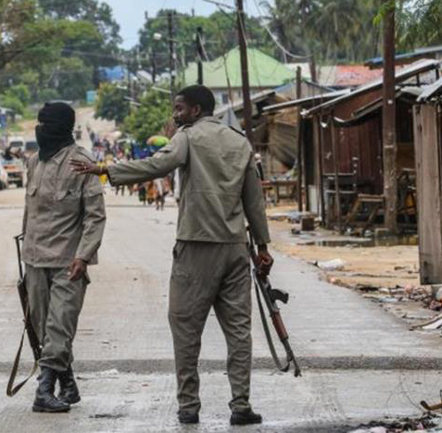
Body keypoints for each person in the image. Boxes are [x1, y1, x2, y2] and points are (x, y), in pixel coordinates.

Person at [71, 85, 273, 426]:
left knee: (185, 326)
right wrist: (263, 247)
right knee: (239, 331)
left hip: (196, 246)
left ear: (195, 110)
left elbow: (159, 164)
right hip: (237, 248)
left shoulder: (188, 136)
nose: (175, 115)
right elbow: (254, 200)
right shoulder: (240, 142)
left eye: (179, 108)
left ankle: (189, 405)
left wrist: (106, 170)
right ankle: (241, 405)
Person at [22, 102, 106, 413]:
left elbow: (95, 217)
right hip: (34, 261)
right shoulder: (34, 163)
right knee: (45, 329)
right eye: (38, 122)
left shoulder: (81, 164)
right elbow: (29, 214)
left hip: (68, 264)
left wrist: (83, 256)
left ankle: (43, 391)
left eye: (45, 123)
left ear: (60, 126)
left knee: (59, 328)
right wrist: (24, 260)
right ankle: (67, 383)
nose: (39, 128)